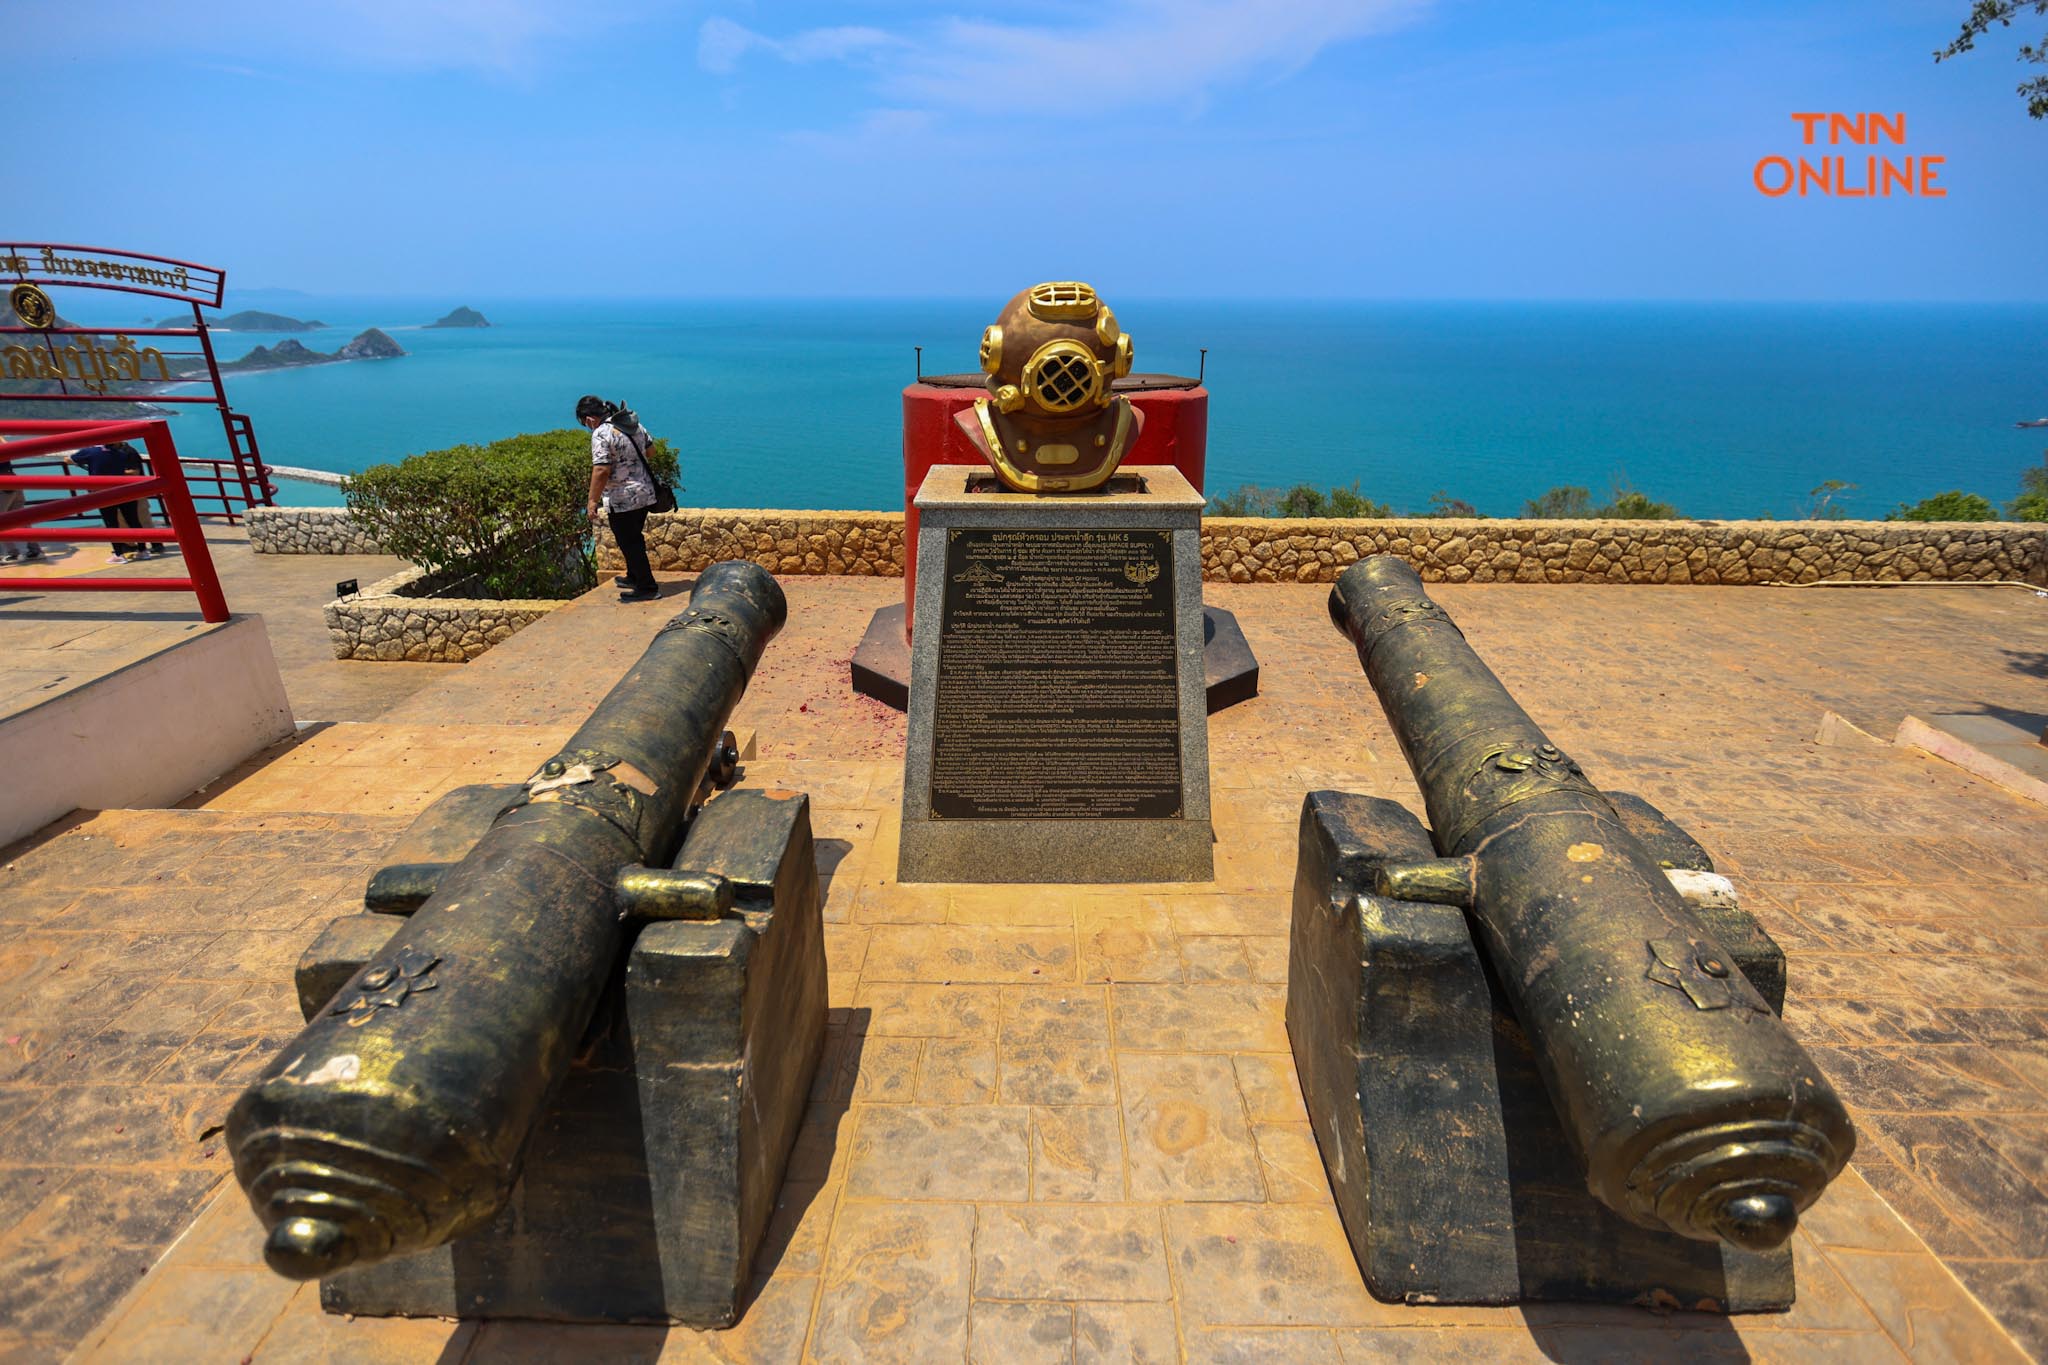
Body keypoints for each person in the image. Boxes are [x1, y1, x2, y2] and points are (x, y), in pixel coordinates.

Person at [576, 395, 662, 602]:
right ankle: (633, 577)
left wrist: (591, 502)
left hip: (622, 498)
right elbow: (651, 451)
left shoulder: (601, 433)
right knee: (632, 538)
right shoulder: (633, 425)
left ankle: (647, 587)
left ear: (589, 419)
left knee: (629, 542)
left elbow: (601, 469)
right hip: (644, 493)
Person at [71, 441, 159, 563]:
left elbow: (72, 459)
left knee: (111, 523)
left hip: (104, 493)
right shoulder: (121, 454)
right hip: (125, 490)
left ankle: (119, 554)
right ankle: (142, 550)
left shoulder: (91, 452)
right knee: (134, 520)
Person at [0, 448, 48, 562]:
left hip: (2, 485)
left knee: (2, 521)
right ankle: (35, 550)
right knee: (22, 519)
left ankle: (13, 554)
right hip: (13, 480)